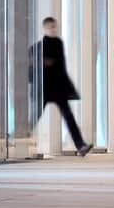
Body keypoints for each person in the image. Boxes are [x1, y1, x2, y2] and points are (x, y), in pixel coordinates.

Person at [30, 17, 91, 157]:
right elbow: (39, 64)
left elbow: (59, 66)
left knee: (68, 117)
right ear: (44, 28)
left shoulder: (58, 43)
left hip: (57, 88)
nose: (53, 29)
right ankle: (20, 137)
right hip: (45, 88)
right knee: (35, 115)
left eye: (54, 27)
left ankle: (80, 145)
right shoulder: (39, 46)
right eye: (50, 27)